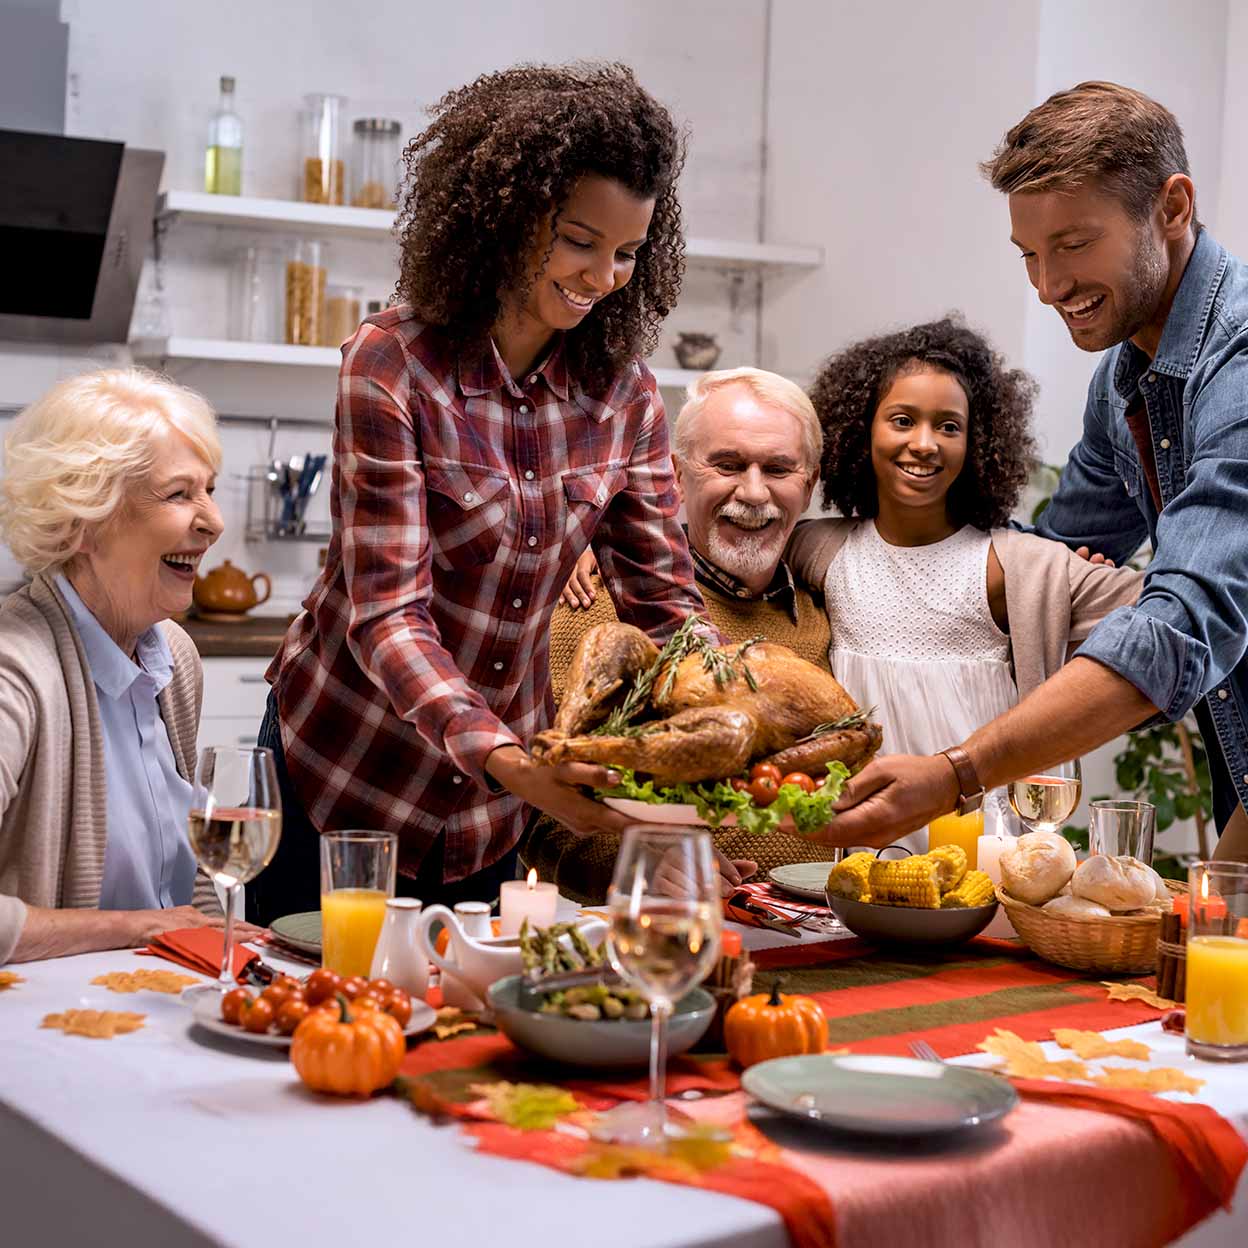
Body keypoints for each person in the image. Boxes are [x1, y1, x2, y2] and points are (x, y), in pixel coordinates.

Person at [253, 64, 713, 925]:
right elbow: (386, 612)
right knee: (314, 1027)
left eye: (628, 252)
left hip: (492, 814)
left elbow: (663, 603)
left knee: (462, 1039)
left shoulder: (627, 394)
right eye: (579, 240)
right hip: (345, 777)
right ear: (506, 216)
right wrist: (504, 755)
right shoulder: (393, 364)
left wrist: (733, 710)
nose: (604, 275)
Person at [826, 82, 1248, 863]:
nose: (1050, 286)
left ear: (1174, 207)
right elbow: (1037, 560)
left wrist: (959, 772)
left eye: (1075, 244)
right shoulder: (1126, 376)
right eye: (1029, 254)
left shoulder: (1241, 360)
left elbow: (1183, 622)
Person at [786, 317, 1142, 846]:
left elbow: (1176, 611)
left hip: (993, 872)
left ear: (977, 443)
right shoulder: (818, 551)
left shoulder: (1022, 567)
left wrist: (1078, 598)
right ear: (862, 430)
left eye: (949, 426)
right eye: (902, 420)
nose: (925, 444)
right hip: (860, 873)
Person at [530, 367, 834, 901]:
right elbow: (538, 807)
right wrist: (633, 861)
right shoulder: (594, 611)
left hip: (822, 939)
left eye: (780, 469)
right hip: (652, 937)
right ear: (672, 477)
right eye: (728, 464)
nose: (754, 491)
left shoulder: (825, 614)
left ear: (808, 487)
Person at [0, 368, 257, 964]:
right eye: (178, 494)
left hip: (155, 1001)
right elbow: (154, 921)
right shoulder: (15, 673)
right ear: (81, 522)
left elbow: (186, 888)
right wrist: (135, 928)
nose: (215, 522)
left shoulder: (174, 656)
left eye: (209, 490)